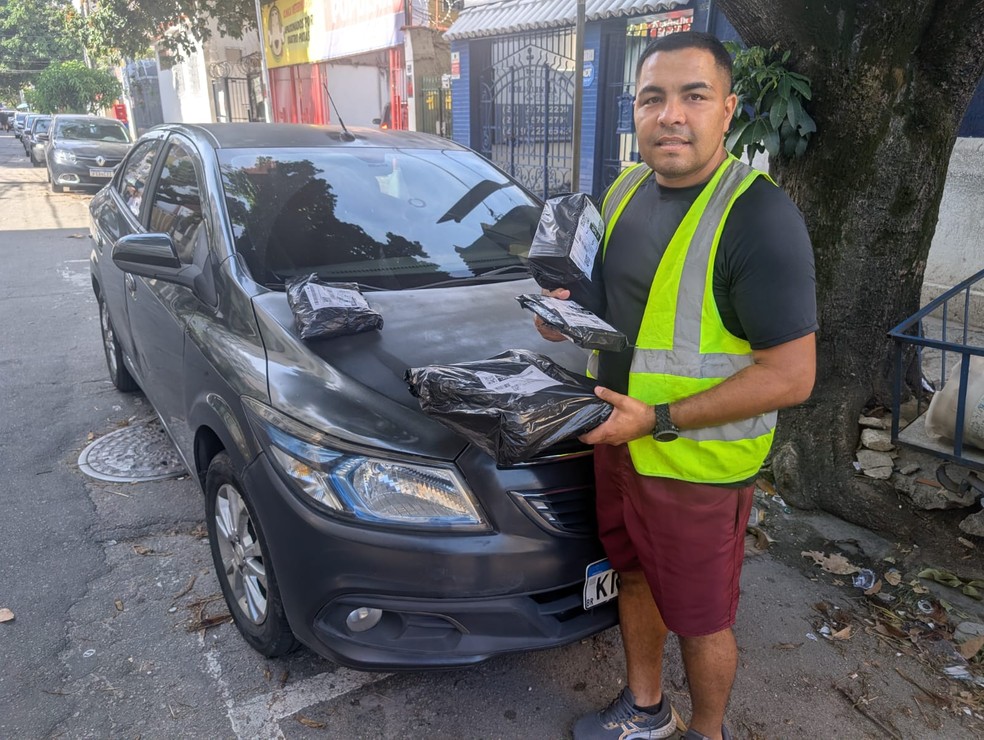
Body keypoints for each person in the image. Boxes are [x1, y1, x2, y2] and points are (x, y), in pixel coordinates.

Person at [534, 32, 817, 740]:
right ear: (634, 110)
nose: (671, 115)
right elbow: (614, 309)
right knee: (632, 579)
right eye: (653, 98)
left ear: (727, 110)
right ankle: (646, 708)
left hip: (696, 467)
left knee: (700, 618)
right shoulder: (626, 188)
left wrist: (657, 418)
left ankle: (707, 733)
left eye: (693, 96)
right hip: (617, 439)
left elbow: (792, 375)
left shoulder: (759, 217)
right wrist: (563, 316)